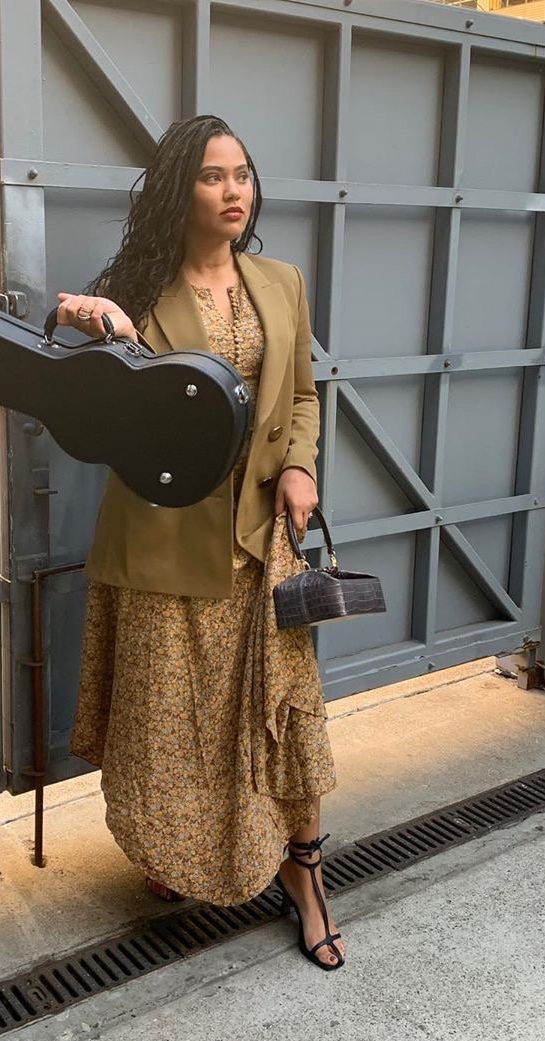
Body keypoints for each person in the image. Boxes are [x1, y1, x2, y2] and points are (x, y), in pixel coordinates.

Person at [57, 115, 345, 970]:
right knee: (172, 722)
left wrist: (301, 466)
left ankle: (304, 877)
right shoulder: (135, 290)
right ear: (179, 190)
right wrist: (90, 321)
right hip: (165, 541)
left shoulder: (281, 282)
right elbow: (95, 396)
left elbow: (302, 395)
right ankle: (176, 855)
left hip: (263, 543)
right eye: (213, 176)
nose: (233, 191)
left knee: (286, 715)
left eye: (243, 174)